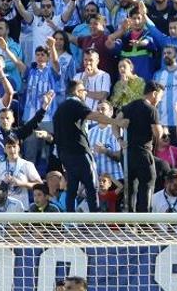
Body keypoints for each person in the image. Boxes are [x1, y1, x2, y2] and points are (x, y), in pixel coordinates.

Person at [54, 80, 129, 212]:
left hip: (65, 154)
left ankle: (70, 220)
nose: (85, 94)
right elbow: (94, 116)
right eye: (84, 91)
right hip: (80, 152)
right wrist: (116, 121)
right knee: (91, 185)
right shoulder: (75, 104)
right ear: (77, 92)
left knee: (72, 188)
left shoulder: (60, 108)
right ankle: (95, 219)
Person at [118, 81, 165, 212]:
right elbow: (157, 133)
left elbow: (115, 121)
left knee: (130, 188)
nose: (160, 100)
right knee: (147, 186)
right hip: (143, 153)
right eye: (160, 97)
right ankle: (144, 223)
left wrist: (119, 139)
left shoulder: (129, 106)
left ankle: (129, 222)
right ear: (154, 93)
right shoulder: (151, 109)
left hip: (127, 153)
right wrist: (161, 130)